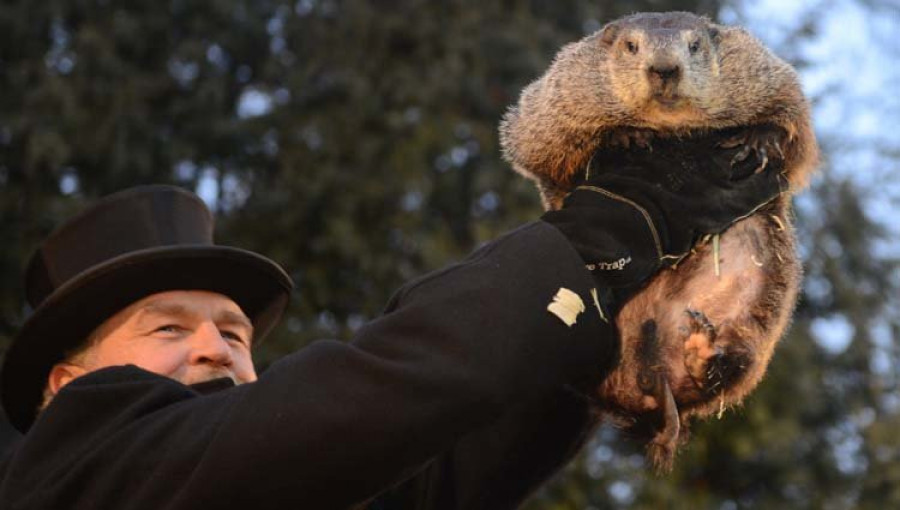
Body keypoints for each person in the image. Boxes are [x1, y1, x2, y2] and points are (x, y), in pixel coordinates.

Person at [0, 137, 784, 509]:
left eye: (236, 334)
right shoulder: (71, 472)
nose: (215, 348)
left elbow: (442, 462)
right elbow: (369, 396)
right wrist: (599, 240)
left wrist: (616, 328)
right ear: (67, 384)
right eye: (167, 330)